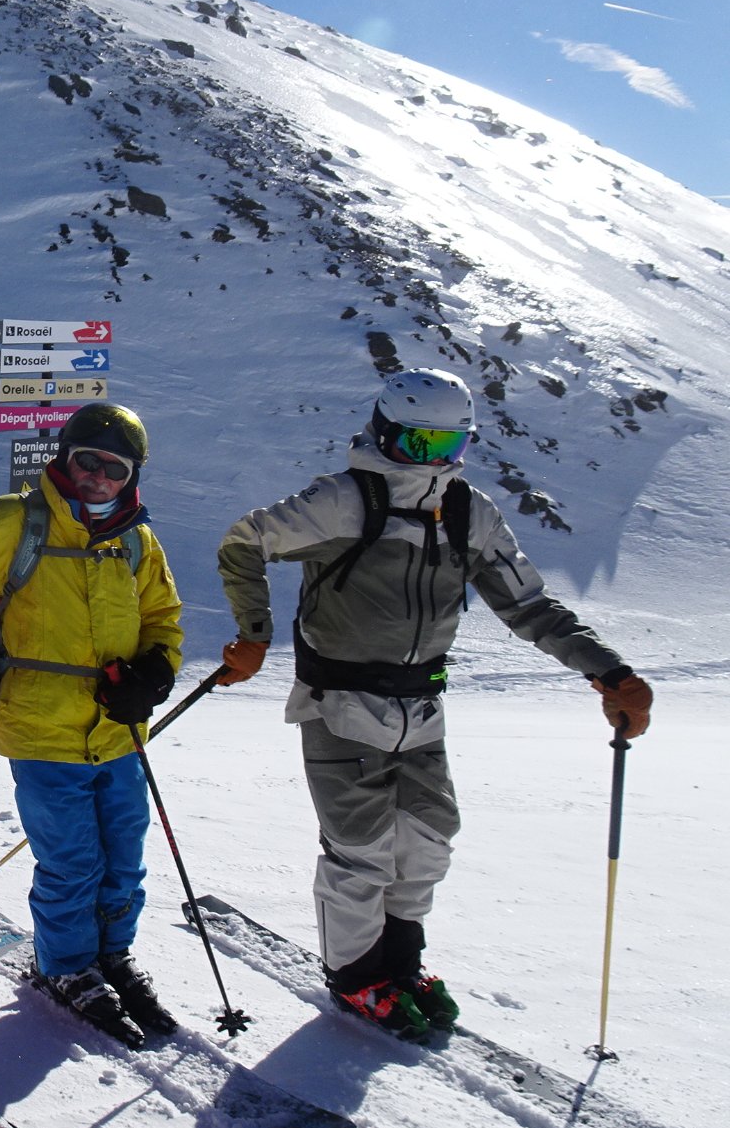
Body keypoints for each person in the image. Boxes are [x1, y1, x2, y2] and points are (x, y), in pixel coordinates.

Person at [216, 367, 654, 1038]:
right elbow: (244, 542)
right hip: (340, 703)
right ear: (383, 432)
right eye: (417, 443)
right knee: (361, 850)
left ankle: (400, 964)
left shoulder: (469, 513)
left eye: (448, 446)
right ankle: (357, 980)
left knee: (427, 840)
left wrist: (609, 671)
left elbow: (528, 604)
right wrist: (253, 634)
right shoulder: (342, 501)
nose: (431, 460)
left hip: (421, 704)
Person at [0, 402, 184, 1047]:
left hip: (116, 731)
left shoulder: (137, 540)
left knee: (125, 857)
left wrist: (153, 676)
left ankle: (111, 952)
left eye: (115, 468)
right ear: (64, 456)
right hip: (41, 726)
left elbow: (162, 619)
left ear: (132, 476)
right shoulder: (15, 520)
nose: (98, 476)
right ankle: (66, 965)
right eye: (88, 460)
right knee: (71, 859)